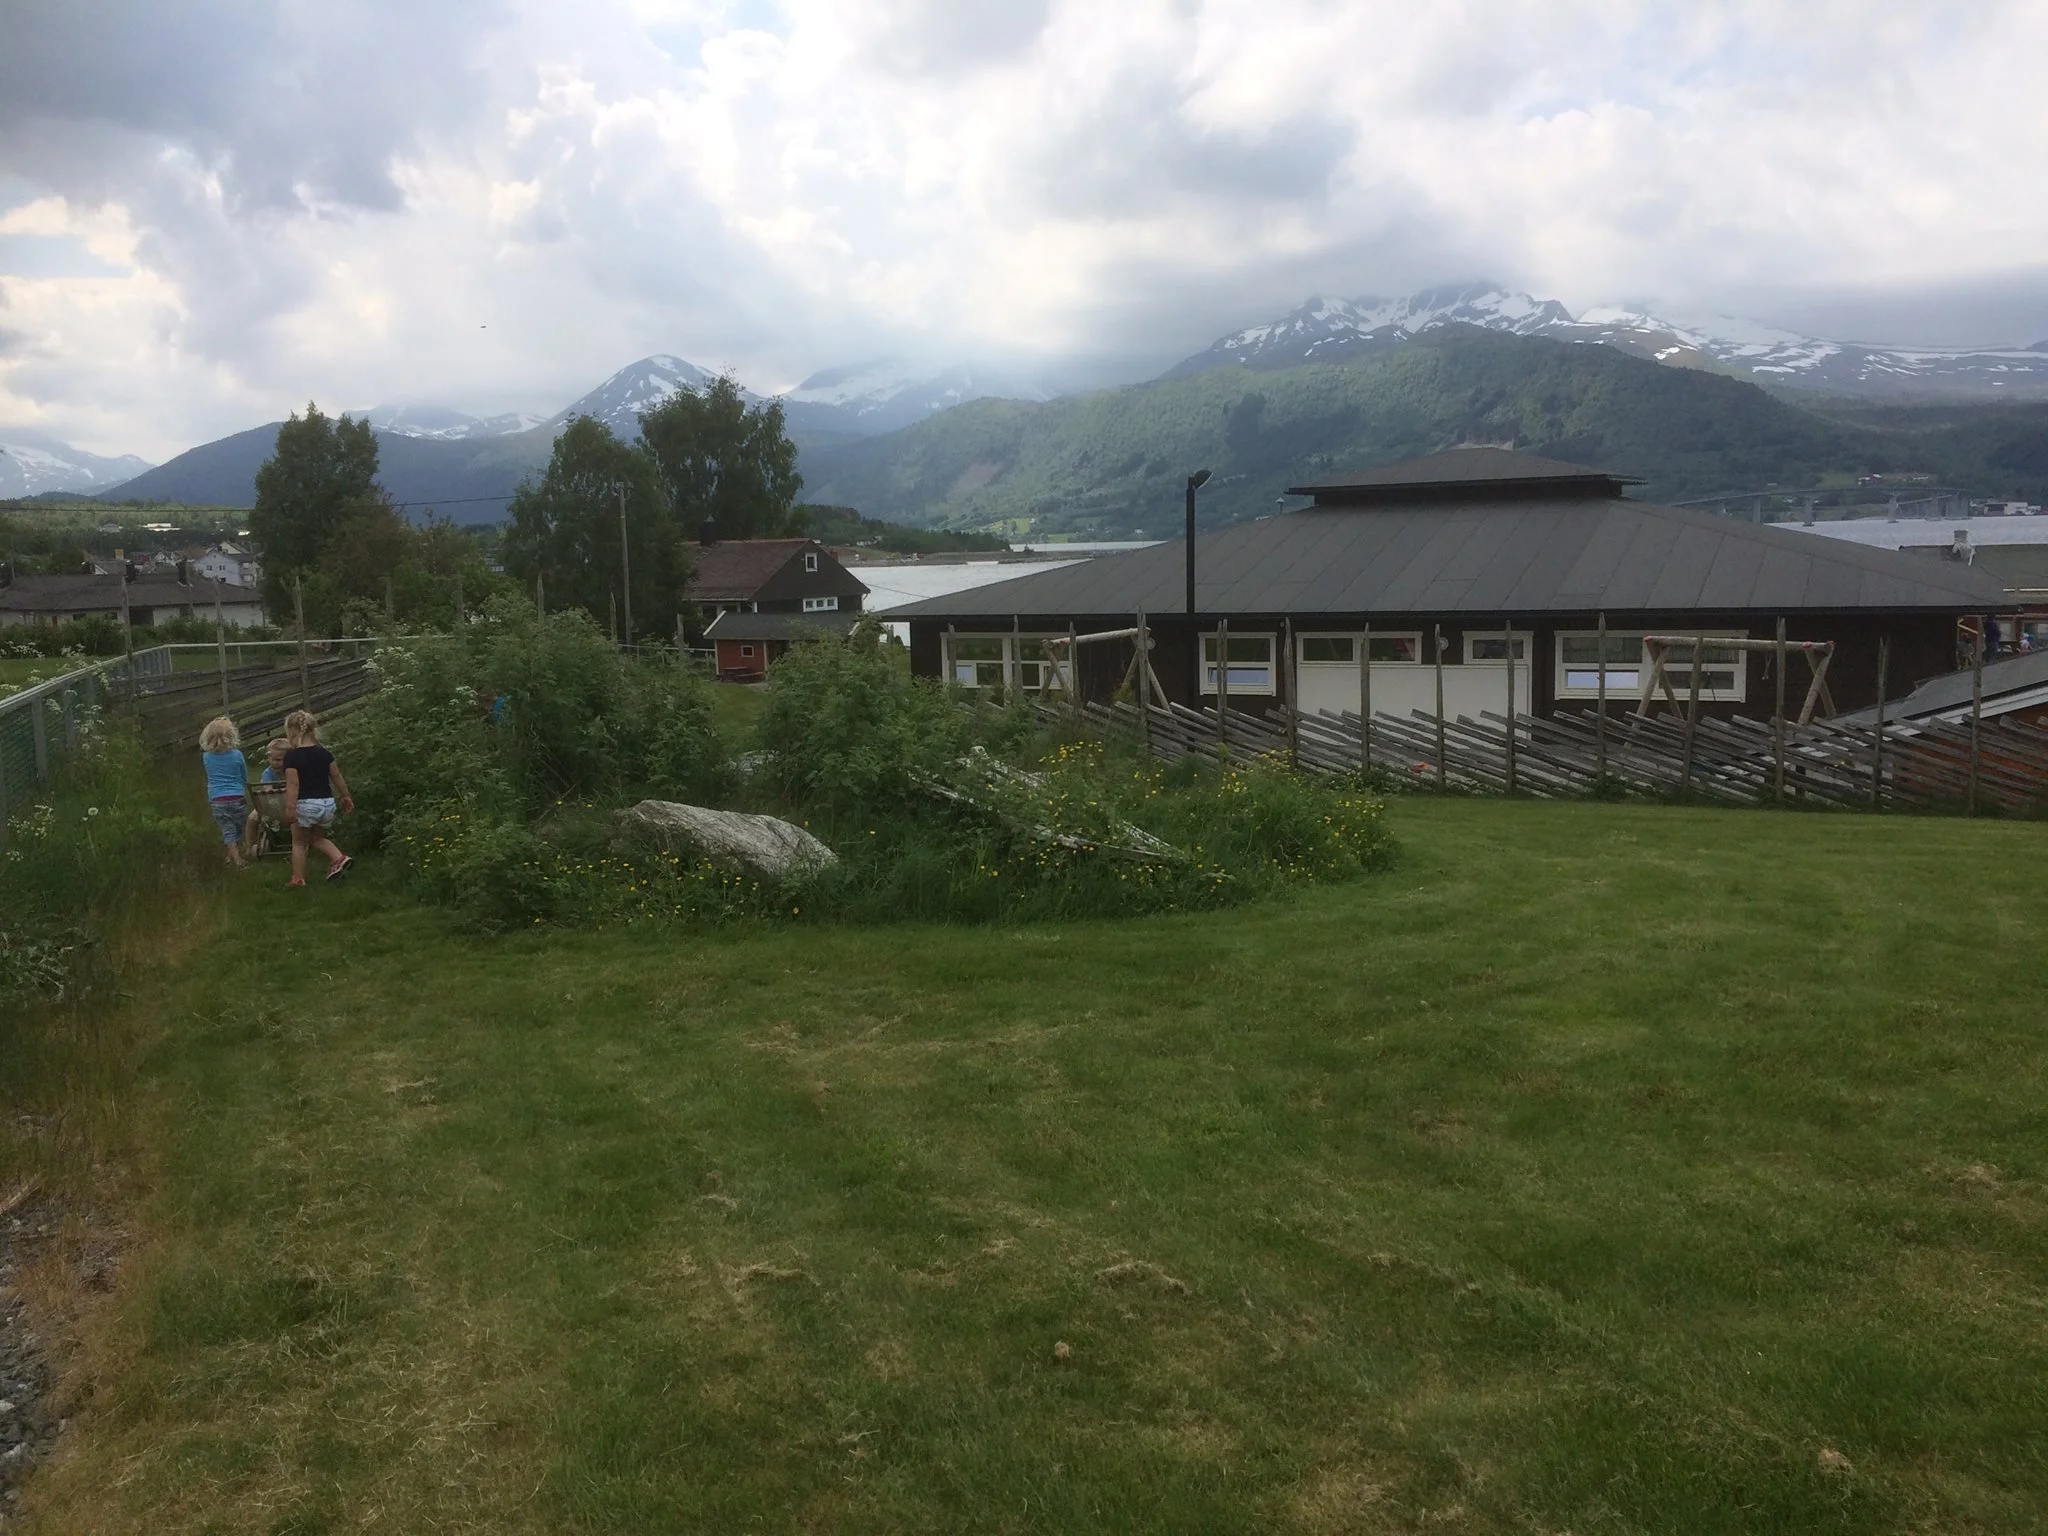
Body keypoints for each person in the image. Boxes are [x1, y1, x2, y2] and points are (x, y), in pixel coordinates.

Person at [281, 709, 355, 887]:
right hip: (326, 804)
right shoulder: (324, 753)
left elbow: (293, 785)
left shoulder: (292, 757)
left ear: (292, 731)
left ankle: (298, 879)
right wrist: (345, 796)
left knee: (299, 842)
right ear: (312, 730)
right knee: (317, 839)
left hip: (305, 804)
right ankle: (338, 857)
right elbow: (336, 776)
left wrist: (290, 808)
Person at [198, 716, 252, 869]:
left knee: (227, 828)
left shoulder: (206, 757)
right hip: (237, 796)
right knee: (239, 827)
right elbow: (244, 775)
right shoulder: (237, 755)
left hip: (217, 799)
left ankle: (231, 855)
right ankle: (238, 860)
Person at [244, 737, 289, 849]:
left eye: (280, 760)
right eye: (272, 759)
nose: (276, 763)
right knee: (252, 818)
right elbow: (267, 791)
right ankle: (250, 846)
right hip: (271, 805)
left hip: (291, 805)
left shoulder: (292, 772)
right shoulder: (268, 773)